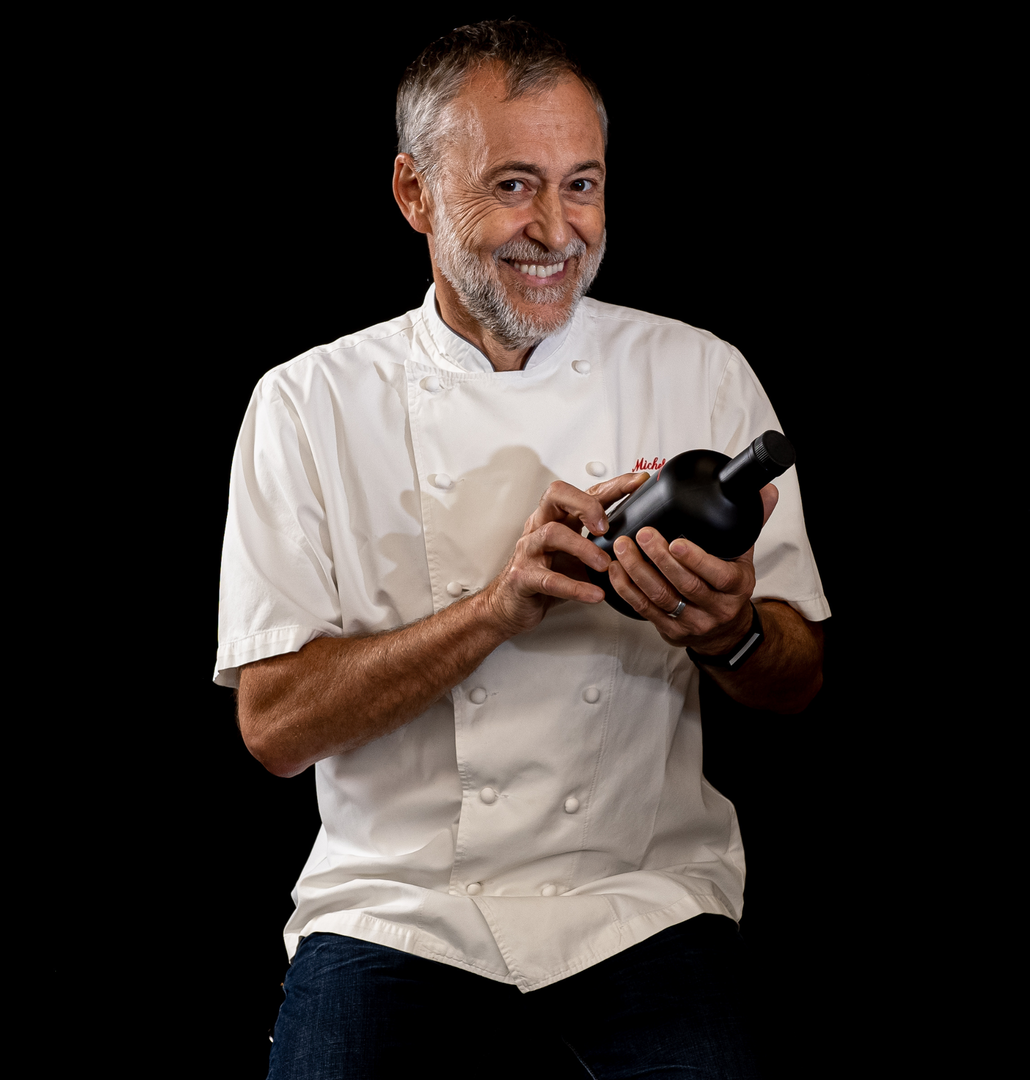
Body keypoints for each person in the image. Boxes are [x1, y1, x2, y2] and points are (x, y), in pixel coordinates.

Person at [216, 19, 829, 1079]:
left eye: (582, 184)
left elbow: (798, 677)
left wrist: (727, 633)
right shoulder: (305, 404)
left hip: (640, 896)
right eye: (511, 186)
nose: (557, 229)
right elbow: (272, 729)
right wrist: (497, 609)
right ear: (413, 194)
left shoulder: (703, 373)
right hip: (395, 910)